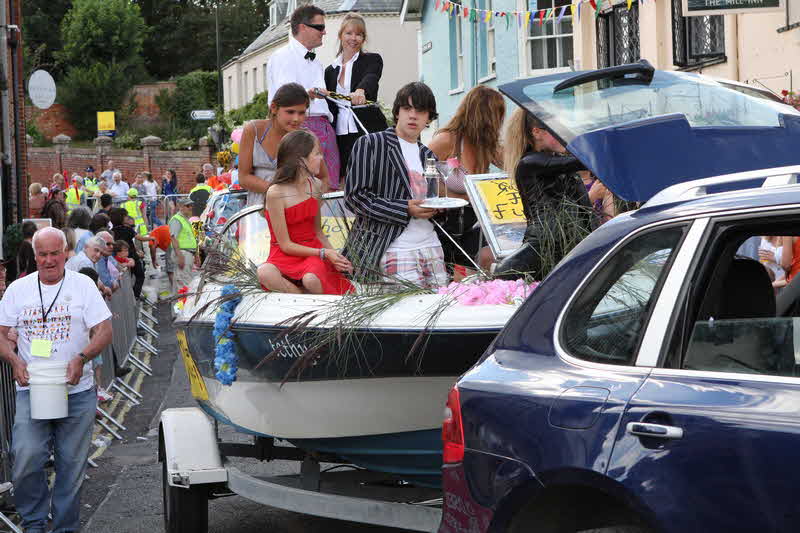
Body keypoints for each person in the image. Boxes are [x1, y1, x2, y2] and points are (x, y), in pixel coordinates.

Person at [0, 226, 112, 533]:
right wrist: (14, 360)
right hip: (32, 389)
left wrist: (81, 358)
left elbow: (104, 330)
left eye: (54, 254)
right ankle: (34, 523)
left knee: (71, 467)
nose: (49, 260)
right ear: (34, 255)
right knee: (25, 456)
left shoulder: (83, 286)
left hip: (78, 390)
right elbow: (1, 332)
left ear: (65, 253)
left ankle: (64, 528)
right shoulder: (18, 290)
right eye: (42, 254)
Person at [343, 82, 448, 288]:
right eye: (407, 108)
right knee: (408, 307)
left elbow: (431, 200)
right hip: (390, 246)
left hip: (431, 244)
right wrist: (405, 208)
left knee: (439, 304)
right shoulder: (371, 144)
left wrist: (440, 207)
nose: (413, 116)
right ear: (397, 112)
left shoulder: (428, 155)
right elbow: (355, 198)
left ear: (429, 118)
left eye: (420, 111)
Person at [493, 108, 594, 279]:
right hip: (542, 244)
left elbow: (584, 208)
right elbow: (583, 161)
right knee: (504, 276)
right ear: (537, 132)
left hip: (570, 243)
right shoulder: (529, 163)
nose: (563, 135)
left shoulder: (559, 161)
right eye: (557, 130)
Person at [258, 130, 353, 294]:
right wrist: (324, 253)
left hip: (313, 254)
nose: (321, 158)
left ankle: (309, 296)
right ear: (301, 160)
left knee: (311, 279)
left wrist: (336, 258)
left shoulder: (315, 185)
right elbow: (285, 245)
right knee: (264, 272)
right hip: (284, 253)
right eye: (317, 154)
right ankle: (299, 295)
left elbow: (318, 232)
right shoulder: (275, 192)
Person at [428, 85, 506, 273]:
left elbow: (513, 164)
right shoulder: (447, 140)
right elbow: (420, 179)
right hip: (443, 229)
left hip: (470, 226)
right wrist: (461, 196)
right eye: (496, 115)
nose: (498, 122)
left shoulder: (486, 145)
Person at [267, 4, 338, 189]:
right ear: (303, 27)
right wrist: (309, 94)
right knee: (302, 187)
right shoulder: (282, 56)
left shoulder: (316, 63)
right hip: (301, 127)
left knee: (330, 187)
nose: (324, 32)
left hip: (324, 127)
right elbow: (285, 99)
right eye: (320, 27)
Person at [324, 12, 388, 186]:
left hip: (366, 130)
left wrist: (361, 90)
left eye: (359, 34)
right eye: (349, 33)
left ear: (363, 38)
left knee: (371, 178)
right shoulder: (329, 71)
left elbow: (371, 77)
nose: (353, 38)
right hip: (339, 134)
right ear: (340, 35)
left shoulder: (372, 60)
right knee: (344, 180)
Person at [239, 83, 314, 207]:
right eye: (290, 112)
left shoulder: (306, 138)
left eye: (301, 113)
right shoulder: (253, 130)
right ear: (274, 108)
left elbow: (323, 177)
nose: (296, 118)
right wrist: (279, 193)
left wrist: (312, 200)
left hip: (295, 207)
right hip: (258, 208)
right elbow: (243, 177)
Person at [109, 208, 150, 298]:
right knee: (140, 275)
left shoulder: (112, 231)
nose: (127, 218)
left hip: (119, 257)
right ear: (121, 218)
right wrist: (151, 238)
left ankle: (131, 295)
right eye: (125, 216)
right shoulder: (127, 229)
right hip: (132, 256)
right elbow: (140, 238)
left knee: (128, 278)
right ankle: (135, 295)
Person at [169, 199, 198, 292]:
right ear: (181, 207)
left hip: (186, 253)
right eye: (188, 206)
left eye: (191, 205)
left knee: (182, 281)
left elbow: (191, 239)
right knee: (183, 282)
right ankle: (183, 301)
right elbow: (173, 238)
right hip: (183, 253)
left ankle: (178, 301)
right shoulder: (177, 219)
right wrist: (180, 255)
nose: (190, 208)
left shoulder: (185, 220)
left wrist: (196, 255)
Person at [148, 224, 175, 289]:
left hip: (172, 243)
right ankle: (182, 288)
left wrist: (153, 261)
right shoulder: (160, 230)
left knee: (170, 271)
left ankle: (175, 290)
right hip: (181, 242)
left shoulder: (152, 235)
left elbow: (152, 247)